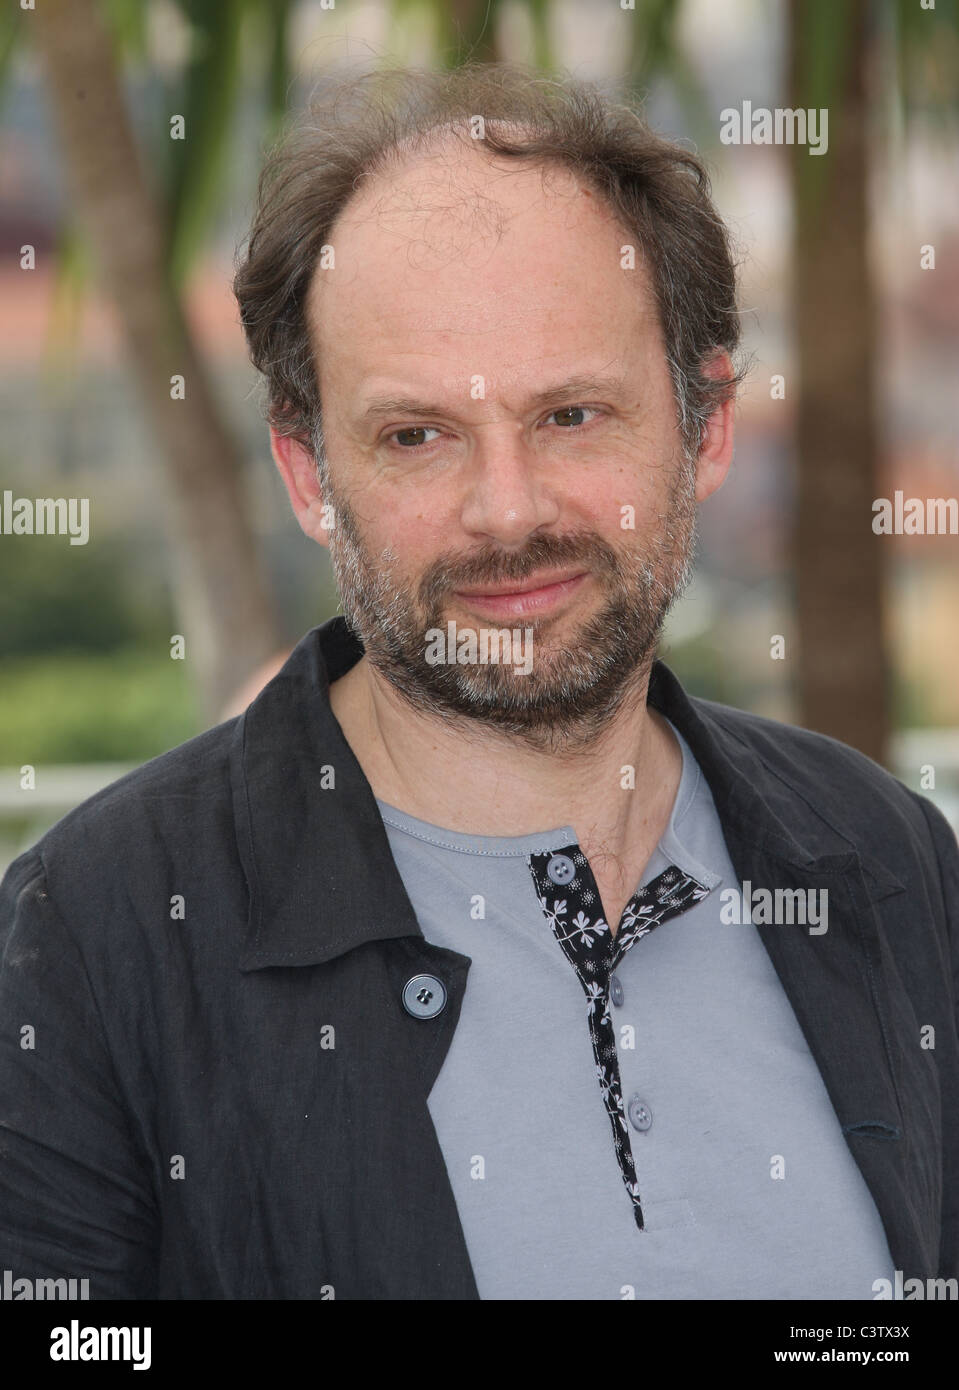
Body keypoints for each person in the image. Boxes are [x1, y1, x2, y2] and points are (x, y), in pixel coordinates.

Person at [1, 62, 956, 1302]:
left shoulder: (885, 860)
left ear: (704, 425)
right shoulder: (92, 943)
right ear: (306, 475)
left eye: (570, 415)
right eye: (416, 435)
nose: (505, 513)